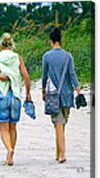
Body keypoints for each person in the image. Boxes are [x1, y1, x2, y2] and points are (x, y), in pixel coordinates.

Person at [42, 28, 81, 163]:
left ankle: (62, 154)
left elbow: (44, 76)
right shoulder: (68, 56)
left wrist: (43, 91)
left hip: (53, 94)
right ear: (60, 40)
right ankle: (58, 153)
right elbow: (72, 74)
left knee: (58, 124)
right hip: (67, 93)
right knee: (62, 123)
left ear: (51, 41)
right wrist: (78, 88)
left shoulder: (47, 56)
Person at [0, 33, 31, 166]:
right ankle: (11, 156)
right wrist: (28, 93)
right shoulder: (17, 57)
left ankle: (9, 149)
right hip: (15, 94)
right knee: (13, 126)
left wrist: (7, 76)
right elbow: (26, 76)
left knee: (3, 127)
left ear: (1, 44)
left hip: (3, 94)